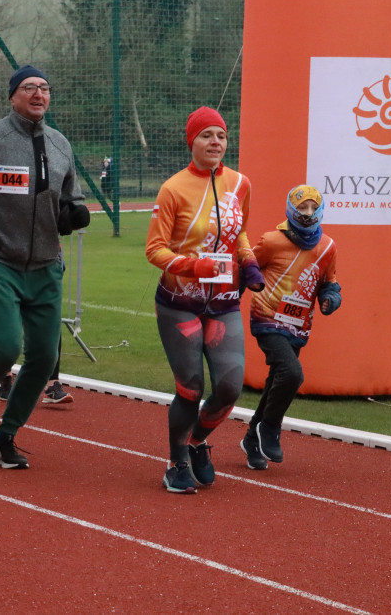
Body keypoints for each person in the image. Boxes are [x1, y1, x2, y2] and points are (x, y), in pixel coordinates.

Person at [0, 64, 90, 469]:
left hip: (47, 265)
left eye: (45, 87)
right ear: (12, 96)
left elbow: (70, 197)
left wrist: (74, 214)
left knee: (43, 358)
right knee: (6, 346)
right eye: (29, 88)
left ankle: (4, 437)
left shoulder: (61, 145)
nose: (39, 94)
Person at [145, 106, 265, 494]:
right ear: (191, 141)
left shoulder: (240, 183)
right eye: (206, 136)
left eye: (221, 136)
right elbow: (154, 250)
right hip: (180, 302)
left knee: (230, 387)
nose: (215, 142)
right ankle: (176, 461)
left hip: (225, 300)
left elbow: (239, 232)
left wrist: (248, 263)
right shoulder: (173, 188)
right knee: (191, 386)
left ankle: (197, 442)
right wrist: (191, 267)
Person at [240, 185, 341, 470]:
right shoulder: (272, 241)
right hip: (267, 318)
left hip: (298, 326)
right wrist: (229, 298)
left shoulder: (328, 247)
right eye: (302, 208)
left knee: (277, 381)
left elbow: (329, 282)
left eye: (313, 208)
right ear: (291, 210)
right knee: (292, 374)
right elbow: (248, 268)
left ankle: (252, 438)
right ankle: (270, 427)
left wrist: (330, 298)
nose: (307, 214)